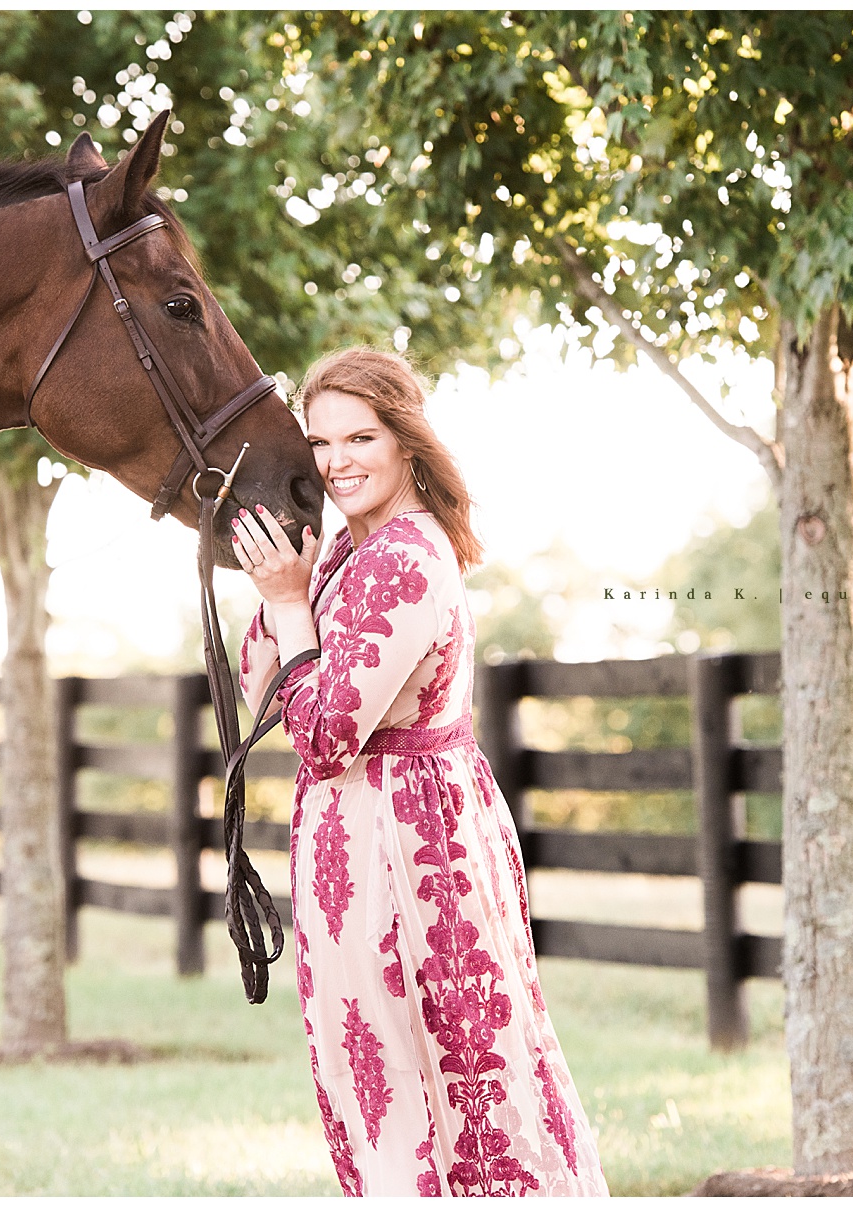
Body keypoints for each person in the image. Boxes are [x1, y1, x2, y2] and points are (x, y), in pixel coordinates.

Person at [232, 347, 610, 1197]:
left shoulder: (406, 556)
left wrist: (292, 605)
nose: (337, 462)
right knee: (370, 1069)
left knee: (445, 1064)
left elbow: (327, 734)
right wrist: (280, 577)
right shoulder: (340, 555)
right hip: (347, 841)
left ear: (405, 441)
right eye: (320, 443)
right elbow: (257, 679)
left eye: (360, 436)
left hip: (411, 844)